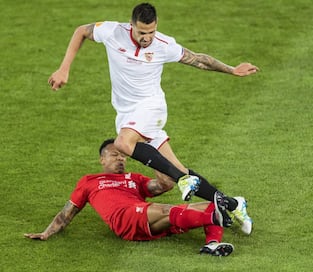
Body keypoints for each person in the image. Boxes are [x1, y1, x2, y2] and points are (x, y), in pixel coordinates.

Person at [47, 3, 258, 234]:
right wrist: (64, 69)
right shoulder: (112, 32)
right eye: (142, 33)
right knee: (175, 171)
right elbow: (81, 31)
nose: (147, 38)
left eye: (151, 32)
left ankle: (182, 180)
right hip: (126, 114)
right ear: (131, 26)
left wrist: (232, 69)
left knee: (122, 144)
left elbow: (198, 59)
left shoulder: (164, 45)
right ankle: (234, 203)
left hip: (151, 108)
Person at [24, 139, 240, 256]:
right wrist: (46, 233)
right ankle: (216, 218)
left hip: (147, 219)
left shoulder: (134, 178)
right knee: (167, 209)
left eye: (123, 156)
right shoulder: (89, 181)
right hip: (124, 219)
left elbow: (164, 185)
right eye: (114, 155)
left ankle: (212, 244)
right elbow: (66, 214)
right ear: (101, 159)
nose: (120, 159)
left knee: (209, 204)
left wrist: (155, 160)